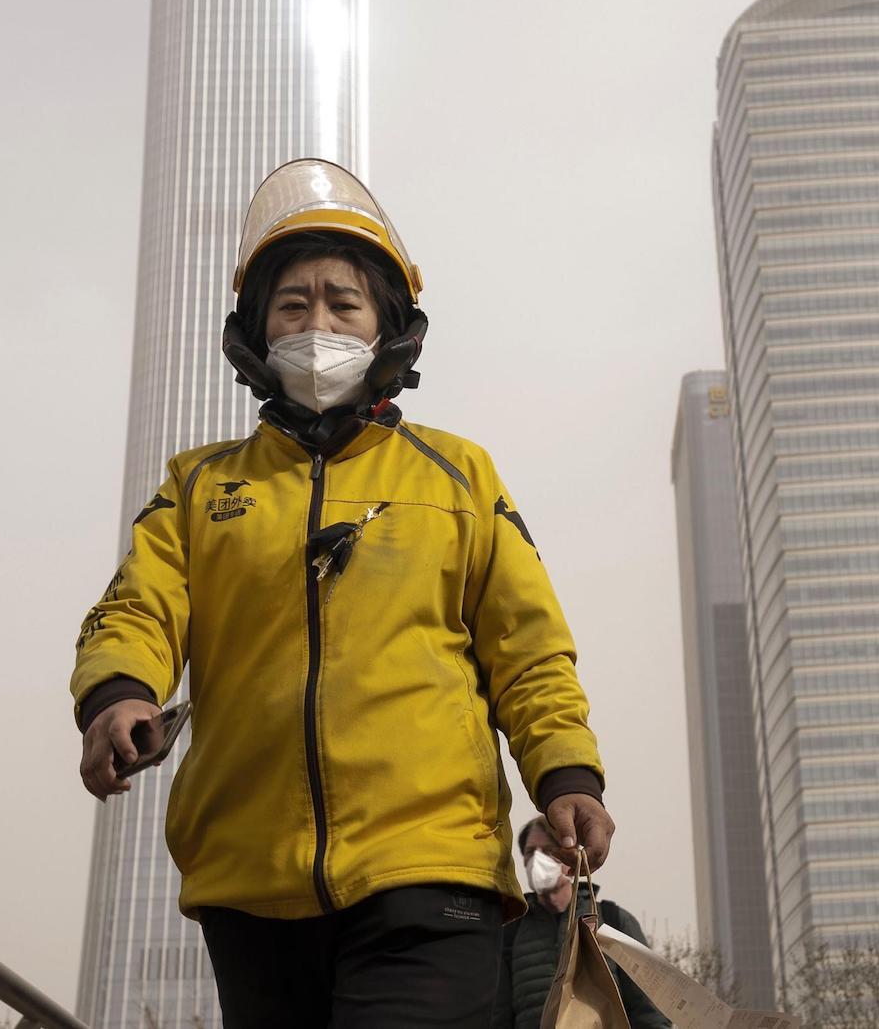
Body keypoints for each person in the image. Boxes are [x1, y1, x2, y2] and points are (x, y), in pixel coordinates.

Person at [72, 159, 616, 1029]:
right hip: (249, 890)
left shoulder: (459, 474)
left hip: (430, 875)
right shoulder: (199, 485)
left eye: (342, 302)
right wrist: (118, 690)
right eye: (293, 303)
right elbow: (139, 604)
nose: (316, 321)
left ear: (386, 329)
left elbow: (529, 648)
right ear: (257, 330)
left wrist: (566, 771)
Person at [494, 818, 671, 1029]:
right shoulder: (511, 932)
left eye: (548, 850)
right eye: (531, 852)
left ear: (569, 858)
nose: (537, 860)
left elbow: (648, 1010)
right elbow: (498, 1017)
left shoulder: (613, 921)